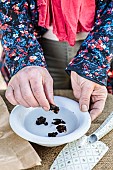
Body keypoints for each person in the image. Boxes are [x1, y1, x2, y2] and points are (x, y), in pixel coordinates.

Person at [0, 0, 112, 121]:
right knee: (36, 107)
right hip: (37, 44)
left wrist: (94, 60)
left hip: (102, 44)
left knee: (91, 112)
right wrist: (24, 58)